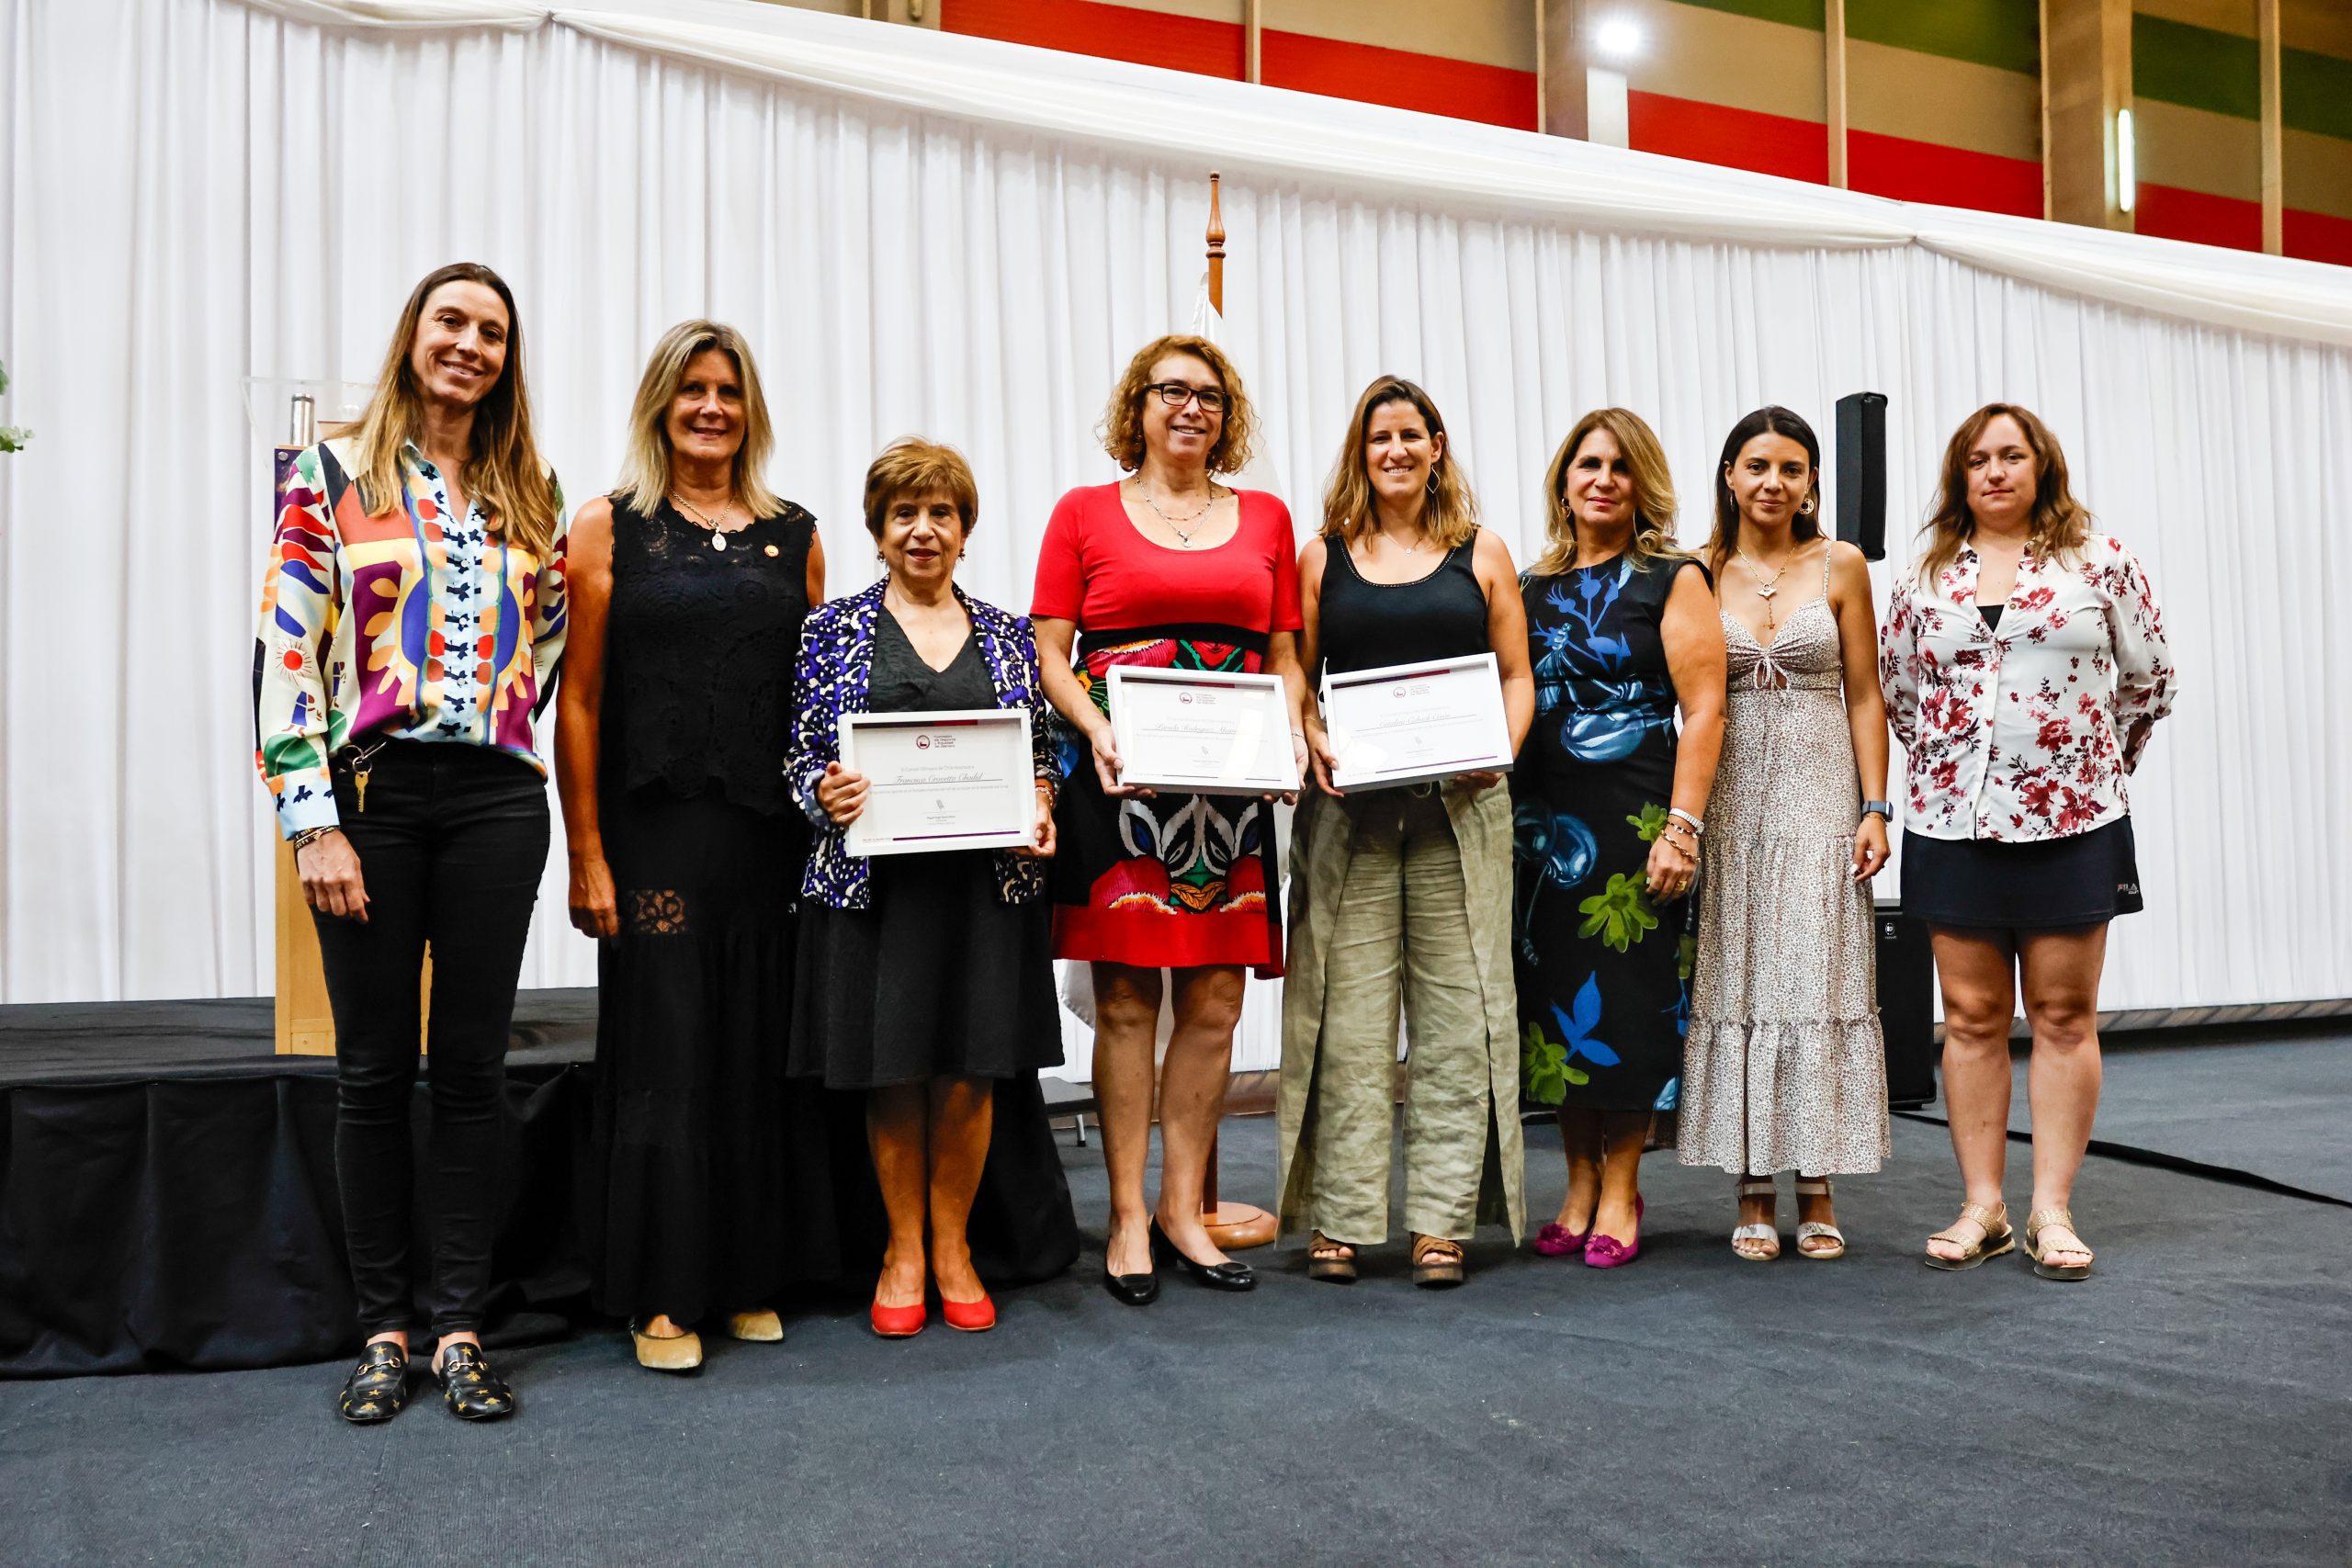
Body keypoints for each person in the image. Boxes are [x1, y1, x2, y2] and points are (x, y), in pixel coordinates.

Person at [254, 262, 566, 1422]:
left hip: (496, 803)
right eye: (452, 322)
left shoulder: (532, 489)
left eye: (491, 331)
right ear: (414, 337)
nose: (469, 345)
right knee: (375, 1075)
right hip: (372, 802)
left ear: (506, 357)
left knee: (474, 1076)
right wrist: (310, 824)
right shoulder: (329, 478)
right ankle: (383, 1328)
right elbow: (287, 654)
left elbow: (550, 651)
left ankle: (461, 1328)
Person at [556, 321, 825, 1371]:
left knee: (754, 1045)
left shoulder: (793, 533)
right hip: (652, 834)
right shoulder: (607, 525)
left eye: (728, 392)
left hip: (765, 837)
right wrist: (585, 852)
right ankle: (664, 1291)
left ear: (748, 409)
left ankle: (747, 1273)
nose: (710, 408)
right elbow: (575, 704)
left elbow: (815, 701)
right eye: (691, 391)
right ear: (660, 404)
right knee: (667, 1049)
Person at [1032, 334, 1310, 1303]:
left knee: (1217, 1004)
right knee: (1123, 1001)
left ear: (1226, 418)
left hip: (1229, 790)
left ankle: (1183, 1211)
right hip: (1122, 783)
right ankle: (1123, 1216)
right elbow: (1051, 654)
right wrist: (1092, 731)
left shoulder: (1266, 517)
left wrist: (1288, 741)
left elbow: (1282, 655)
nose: (1191, 409)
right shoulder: (1082, 513)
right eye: (1171, 393)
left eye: (1210, 397)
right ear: (1137, 408)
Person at [1882, 403, 2174, 1281]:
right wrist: (1955, 762)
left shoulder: (2102, 562)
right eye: (1978, 460)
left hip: (2074, 820)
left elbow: (2149, 679)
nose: (1995, 472)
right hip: (1952, 822)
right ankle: (1984, 1208)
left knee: (2060, 1015)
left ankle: (2052, 1207)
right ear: (1959, 476)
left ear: (2042, 465)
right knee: (1970, 1018)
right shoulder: (1925, 575)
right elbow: (1902, 694)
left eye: (2012, 456)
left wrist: (2085, 762)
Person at [791, 438, 1076, 1337]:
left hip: (983, 890)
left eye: (940, 513)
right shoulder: (827, 629)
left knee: (969, 1071)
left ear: (964, 528)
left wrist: (1040, 799)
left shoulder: (1005, 633)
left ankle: (952, 1247)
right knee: (892, 1068)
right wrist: (821, 793)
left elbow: (1037, 757)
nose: (923, 530)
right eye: (904, 514)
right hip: (877, 890)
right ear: (877, 529)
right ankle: (901, 1250)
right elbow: (799, 755)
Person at [1277, 376, 1534, 1288]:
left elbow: (1516, 676)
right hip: (1349, 817)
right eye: (1378, 437)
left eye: (1410, 436)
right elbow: (1296, 676)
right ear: (1362, 451)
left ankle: (1440, 1224)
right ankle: (1340, 1222)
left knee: (1458, 1023)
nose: (1395, 451)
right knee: (1343, 1022)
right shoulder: (1323, 556)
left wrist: (1498, 750)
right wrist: (1307, 737)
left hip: (1459, 813)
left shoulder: (1483, 551)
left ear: (1436, 447)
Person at [1512, 408, 1725, 1269]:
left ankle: (1623, 1181)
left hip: (1638, 814)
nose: (1601, 478)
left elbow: (1705, 707)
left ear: (1642, 484)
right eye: (1585, 463)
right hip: (1541, 822)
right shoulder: (1526, 583)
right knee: (1554, 1001)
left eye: (1618, 466)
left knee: (1631, 1000)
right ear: (1564, 479)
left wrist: (1683, 826)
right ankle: (1573, 1177)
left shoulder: (1674, 577)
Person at [1679, 406, 1891, 1260]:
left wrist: (1874, 806)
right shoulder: (1696, 571)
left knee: (1818, 973)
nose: (1774, 482)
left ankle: (1820, 1181)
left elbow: (1866, 694)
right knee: (1741, 971)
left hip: (1817, 787)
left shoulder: (1840, 564)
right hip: (1731, 793)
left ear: (1811, 483)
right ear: (1729, 473)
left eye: (1792, 469)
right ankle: (1754, 1185)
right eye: (1757, 465)